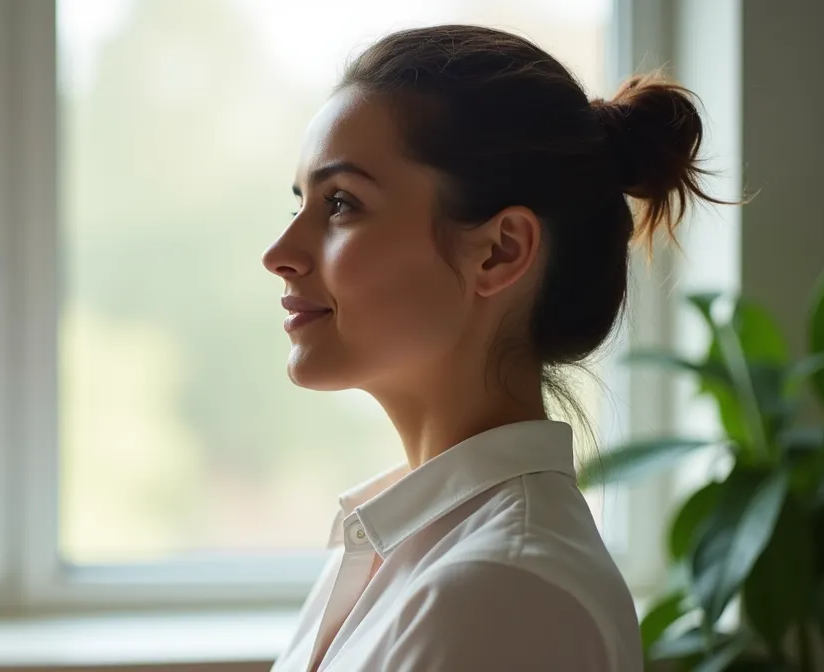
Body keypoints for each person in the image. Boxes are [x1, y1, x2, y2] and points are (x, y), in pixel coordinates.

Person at [262, 25, 723, 672]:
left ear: (501, 250)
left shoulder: (501, 592)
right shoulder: (397, 547)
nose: (278, 255)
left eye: (341, 203)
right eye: (299, 203)